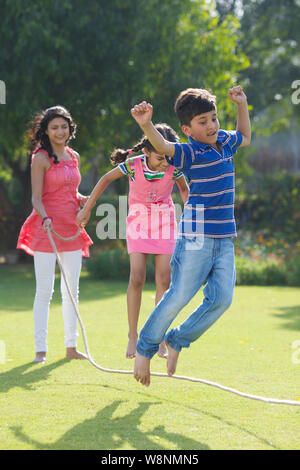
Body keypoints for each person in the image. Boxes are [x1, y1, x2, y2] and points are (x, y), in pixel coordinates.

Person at [130, 85, 251, 386]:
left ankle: (177, 339)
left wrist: (241, 105)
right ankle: (145, 349)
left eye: (213, 118)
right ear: (187, 129)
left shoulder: (225, 141)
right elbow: (166, 147)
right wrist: (146, 124)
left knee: (222, 299)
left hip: (223, 236)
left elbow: (245, 135)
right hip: (196, 230)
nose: (211, 125)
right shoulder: (189, 151)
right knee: (180, 294)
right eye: (202, 121)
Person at [76, 124, 189, 358]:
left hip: (165, 224)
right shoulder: (133, 165)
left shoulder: (173, 168)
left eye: (168, 157)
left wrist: (191, 216)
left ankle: (158, 336)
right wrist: (87, 208)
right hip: (138, 225)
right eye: (160, 158)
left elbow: (185, 190)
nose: (165, 162)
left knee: (164, 280)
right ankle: (132, 335)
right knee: (136, 277)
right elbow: (106, 178)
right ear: (146, 150)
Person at [17, 105, 93, 363]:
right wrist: (45, 217)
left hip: (71, 228)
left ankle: (71, 347)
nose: (60, 131)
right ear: (46, 131)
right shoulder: (40, 158)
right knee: (45, 290)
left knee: (72, 289)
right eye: (55, 127)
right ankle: (41, 350)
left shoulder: (74, 156)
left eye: (64, 126)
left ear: (70, 128)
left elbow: (71, 193)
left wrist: (84, 200)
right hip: (46, 229)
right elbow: (36, 198)